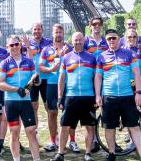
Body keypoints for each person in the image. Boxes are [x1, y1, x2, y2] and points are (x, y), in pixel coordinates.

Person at [95, 28, 141, 161]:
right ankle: (112, 153)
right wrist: (97, 95)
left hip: (127, 96)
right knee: (109, 127)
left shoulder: (129, 54)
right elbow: (98, 77)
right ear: (106, 41)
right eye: (109, 39)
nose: (112, 40)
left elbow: (137, 73)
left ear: (119, 39)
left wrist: (139, 92)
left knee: (134, 126)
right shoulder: (101, 56)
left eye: (114, 38)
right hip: (109, 96)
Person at [0, 35, 43, 161]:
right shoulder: (4, 63)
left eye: (17, 44)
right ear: (7, 47)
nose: (15, 47)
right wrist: (16, 89)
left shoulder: (29, 61)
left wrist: (36, 80)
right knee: (14, 132)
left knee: (31, 132)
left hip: (26, 102)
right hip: (11, 102)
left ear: (20, 45)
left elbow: (36, 80)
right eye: (12, 45)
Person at [53, 31, 97, 161]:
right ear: (71, 41)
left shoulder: (91, 57)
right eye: (75, 40)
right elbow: (61, 78)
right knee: (65, 126)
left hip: (88, 96)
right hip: (71, 96)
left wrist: (96, 95)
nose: (78, 42)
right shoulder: (66, 58)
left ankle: (87, 153)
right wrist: (60, 97)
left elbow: (96, 78)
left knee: (89, 127)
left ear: (84, 41)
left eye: (80, 40)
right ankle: (60, 153)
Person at [39, 23, 72, 152]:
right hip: (52, 83)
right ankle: (53, 140)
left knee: (69, 113)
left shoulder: (70, 48)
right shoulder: (46, 49)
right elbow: (41, 66)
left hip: (68, 83)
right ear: (52, 34)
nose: (58, 34)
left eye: (60, 32)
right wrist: (50, 69)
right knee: (52, 112)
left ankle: (72, 140)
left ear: (63, 33)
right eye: (56, 32)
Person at [121, 28, 141, 156]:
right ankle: (133, 140)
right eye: (129, 37)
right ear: (125, 38)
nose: (132, 39)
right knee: (129, 113)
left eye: (134, 37)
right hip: (127, 83)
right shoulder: (122, 52)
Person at [82, 17, 107, 153]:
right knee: (92, 109)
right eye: (94, 24)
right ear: (90, 25)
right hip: (90, 78)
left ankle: (109, 139)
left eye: (99, 24)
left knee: (106, 107)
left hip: (105, 76)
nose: (97, 26)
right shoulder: (85, 41)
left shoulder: (106, 40)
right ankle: (94, 140)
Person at [24, 22, 52, 133]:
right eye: (35, 29)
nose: (37, 31)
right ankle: (34, 131)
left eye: (39, 29)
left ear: (42, 30)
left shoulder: (49, 42)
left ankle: (53, 134)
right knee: (33, 106)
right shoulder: (27, 43)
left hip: (46, 77)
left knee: (48, 107)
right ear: (32, 31)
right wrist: (27, 46)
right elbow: (28, 59)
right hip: (32, 78)